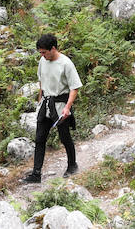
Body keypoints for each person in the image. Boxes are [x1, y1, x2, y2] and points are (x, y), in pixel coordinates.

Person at [25, 33, 81, 182]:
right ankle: (36, 174)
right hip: (46, 104)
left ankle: (72, 165)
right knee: (39, 138)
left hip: (61, 105)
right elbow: (42, 82)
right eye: (40, 52)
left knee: (65, 137)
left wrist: (67, 107)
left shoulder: (66, 64)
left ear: (53, 48)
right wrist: (39, 101)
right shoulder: (42, 62)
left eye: (44, 52)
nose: (42, 55)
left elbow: (74, 88)